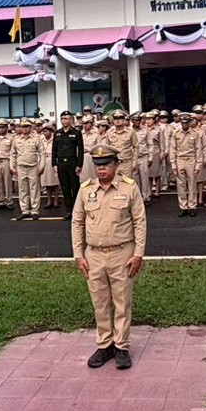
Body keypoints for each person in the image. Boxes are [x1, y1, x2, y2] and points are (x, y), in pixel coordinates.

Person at [72, 144, 147, 370]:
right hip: (94, 255)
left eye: (106, 165)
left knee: (122, 302)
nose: (101, 170)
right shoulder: (86, 189)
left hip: (122, 253)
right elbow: (77, 222)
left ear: (116, 164)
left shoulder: (129, 188)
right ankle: (105, 345)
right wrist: (78, 254)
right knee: (100, 302)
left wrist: (138, 254)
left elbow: (140, 222)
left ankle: (121, 346)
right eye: (98, 166)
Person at [12, 118, 48, 220]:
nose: (24, 128)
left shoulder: (36, 138)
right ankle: (25, 210)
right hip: (21, 166)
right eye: (22, 126)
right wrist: (12, 166)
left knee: (34, 190)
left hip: (33, 167)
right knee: (23, 190)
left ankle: (35, 211)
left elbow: (42, 153)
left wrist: (41, 166)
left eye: (27, 126)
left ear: (31, 127)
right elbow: (13, 153)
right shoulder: (16, 139)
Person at [53, 110, 85, 211]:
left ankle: (77, 209)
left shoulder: (76, 133)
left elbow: (80, 150)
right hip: (61, 163)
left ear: (71, 120)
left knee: (74, 187)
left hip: (72, 163)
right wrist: (54, 164)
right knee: (65, 187)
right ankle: (68, 209)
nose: (63, 121)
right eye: (62, 119)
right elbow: (54, 149)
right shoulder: (57, 133)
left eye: (66, 118)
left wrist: (79, 164)